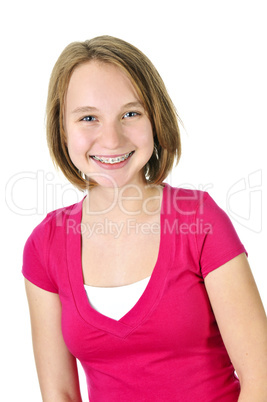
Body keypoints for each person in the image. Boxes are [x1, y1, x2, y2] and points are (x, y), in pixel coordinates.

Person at [22, 35, 267, 402]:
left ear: (155, 118)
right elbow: (59, 394)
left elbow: (260, 377)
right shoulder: (44, 247)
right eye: (88, 118)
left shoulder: (199, 222)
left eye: (130, 114)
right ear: (63, 129)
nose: (111, 138)